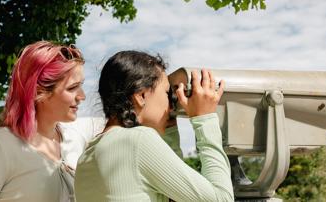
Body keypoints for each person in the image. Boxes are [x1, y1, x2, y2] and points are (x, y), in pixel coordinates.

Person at [75, 51, 234, 202]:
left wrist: (170, 129)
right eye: (167, 94)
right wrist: (204, 119)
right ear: (141, 96)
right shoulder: (137, 141)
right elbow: (221, 198)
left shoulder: (87, 155)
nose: (171, 107)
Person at [0, 41, 86, 202]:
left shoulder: (75, 141)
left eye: (81, 85)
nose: (82, 96)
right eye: (72, 88)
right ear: (38, 92)